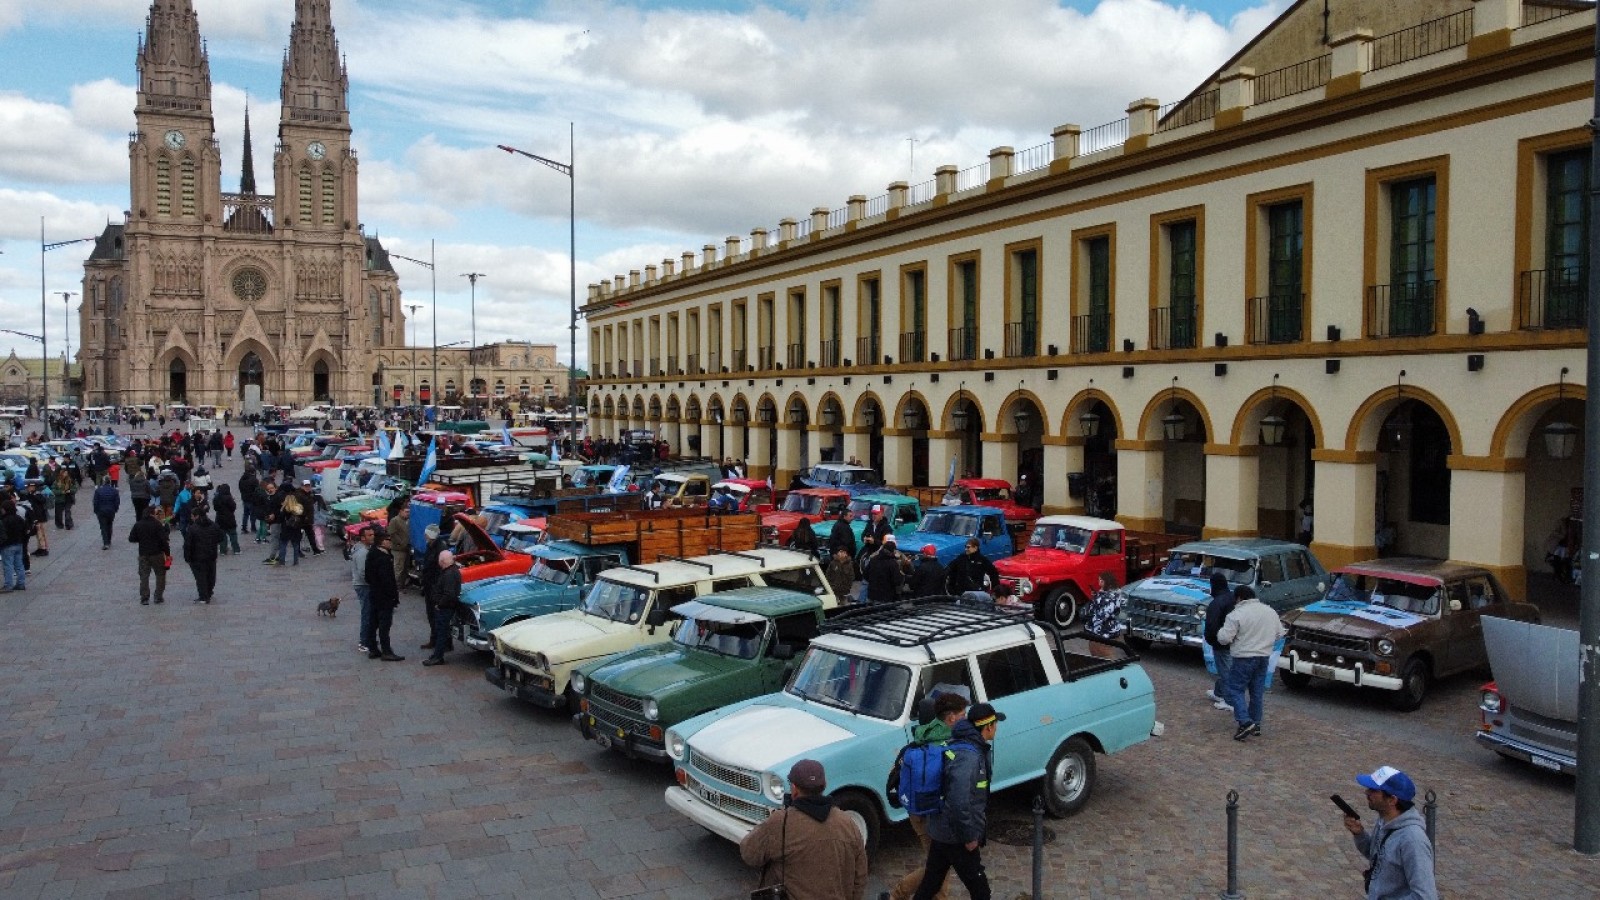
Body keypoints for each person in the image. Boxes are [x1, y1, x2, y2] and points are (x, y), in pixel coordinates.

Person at [911, 702, 1006, 900]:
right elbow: (958, 800)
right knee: (981, 892)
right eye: (996, 724)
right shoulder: (969, 757)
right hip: (957, 837)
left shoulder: (962, 743)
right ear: (988, 727)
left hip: (941, 831)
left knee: (930, 884)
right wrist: (969, 836)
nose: (997, 728)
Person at [738, 759, 868, 900]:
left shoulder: (781, 822)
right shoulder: (848, 823)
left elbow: (749, 854)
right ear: (824, 785)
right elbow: (860, 875)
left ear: (794, 789)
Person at [887, 691, 968, 900]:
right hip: (937, 815)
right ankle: (898, 893)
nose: (965, 719)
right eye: (962, 715)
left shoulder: (918, 740)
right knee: (940, 866)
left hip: (917, 812)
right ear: (951, 718)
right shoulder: (949, 747)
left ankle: (898, 893)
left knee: (938, 863)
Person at [1342, 766, 1437, 900]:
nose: (1366, 792)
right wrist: (1359, 834)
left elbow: (1425, 896)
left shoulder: (1413, 840)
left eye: (1373, 790)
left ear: (1392, 800)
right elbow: (1377, 855)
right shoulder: (1384, 820)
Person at [1217, 585, 1284, 741]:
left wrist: (1220, 631)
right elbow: (1280, 633)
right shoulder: (1270, 611)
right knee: (1256, 692)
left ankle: (1245, 721)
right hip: (1263, 657)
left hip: (1243, 657)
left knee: (1235, 689)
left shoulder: (1236, 614)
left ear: (1239, 598)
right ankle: (1256, 723)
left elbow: (1224, 638)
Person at [364, 532, 404, 661]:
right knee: (384, 624)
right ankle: (386, 651)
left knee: (373, 622)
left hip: (374, 594)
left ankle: (373, 648)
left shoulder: (371, 554)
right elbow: (387, 581)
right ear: (382, 542)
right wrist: (393, 596)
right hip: (384, 598)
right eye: (388, 540)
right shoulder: (383, 558)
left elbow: (368, 577)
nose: (390, 542)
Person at [1203, 571, 1238, 710]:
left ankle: (1228, 700)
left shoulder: (1216, 603)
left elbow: (1211, 625)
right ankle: (1219, 692)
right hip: (1235, 641)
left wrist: (1212, 640)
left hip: (1222, 643)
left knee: (1225, 671)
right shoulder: (1232, 598)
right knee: (1225, 669)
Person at [422, 550, 463, 666]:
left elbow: (449, 594)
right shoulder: (452, 571)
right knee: (442, 631)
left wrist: (439, 604)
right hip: (446, 606)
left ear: (442, 561)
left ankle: (438, 656)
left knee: (441, 631)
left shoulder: (449, 574)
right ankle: (437, 654)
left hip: (445, 608)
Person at [128, 504, 170, 605]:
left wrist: (141, 539)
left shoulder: (138, 524)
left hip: (143, 554)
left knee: (144, 576)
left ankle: (144, 598)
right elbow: (163, 540)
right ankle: (158, 596)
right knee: (160, 575)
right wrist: (167, 553)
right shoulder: (157, 524)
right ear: (152, 514)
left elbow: (131, 538)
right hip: (157, 554)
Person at [183, 505, 223, 603]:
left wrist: (187, 557)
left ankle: (204, 596)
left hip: (197, 557)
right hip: (211, 555)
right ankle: (209, 592)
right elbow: (221, 537)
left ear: (196, 516)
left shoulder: (192, 528)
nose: (191, 518)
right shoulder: (214, 525)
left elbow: (188, 544)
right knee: (210, 575)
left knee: (200, 577)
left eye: (192, 516)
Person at [1082, 571, 1127, 657]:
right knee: (1096, 652)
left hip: (1104, 631)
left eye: (1101, 580)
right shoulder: (1114, 593)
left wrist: (1089, 621)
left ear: (1105, 581)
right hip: (1107, 630)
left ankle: (1112, 669)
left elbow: (1102, 614)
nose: (1099, 582)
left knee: (1103, 654)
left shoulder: (1109, 596)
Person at [351, 526, 375, 654]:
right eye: (369, 535)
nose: (372, 537)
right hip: (364, 586)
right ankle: (364, 641)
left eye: (373, 534)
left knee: (368, 612)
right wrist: (373, 583)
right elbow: (363, 572)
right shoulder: (362, 553)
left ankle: (367, 639)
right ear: (362, 538)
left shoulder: (360, 548)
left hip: (361, 584)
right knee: (367, 613)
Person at [863, 535, 905, 604]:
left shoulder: (874, 559)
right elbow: (897, 581)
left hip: (872, 594)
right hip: (886, 596)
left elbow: (865, 575)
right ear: (893, 550)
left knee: (870, 613)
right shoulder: (892, 563)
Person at [0, 500, 27, 592]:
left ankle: (8, 585)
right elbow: (25, 530)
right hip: (19, 544)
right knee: (19, 565)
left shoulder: (4, 520)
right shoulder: (19, 518)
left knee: (8, 565)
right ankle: (21, 583)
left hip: (7, 545)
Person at [91, 475, 121, 550]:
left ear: (103, 481)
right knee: (109, 525)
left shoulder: (98, 491)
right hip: (111, 511)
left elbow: (95, 502)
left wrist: (96, 510)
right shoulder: (114, 491)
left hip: (101, 511)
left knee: (103, 527)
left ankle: (106, 543)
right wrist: (115, 509)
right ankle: (109, 540)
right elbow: (117, 502)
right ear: (110, 481)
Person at [387, 504, 411, 588]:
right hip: (398, 549)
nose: (408, 514)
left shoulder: (408, 521)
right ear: (401, 511)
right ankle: (394, 585)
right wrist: (401, 542)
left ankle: (401, 584)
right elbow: (391, 533)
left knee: (405, 567)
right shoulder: (395, 520)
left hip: (406, 548)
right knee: (398, 568)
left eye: (409, 512)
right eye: (406, 512)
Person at [212, 484, 239, 555]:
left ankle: (223, 550)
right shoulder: (229, 498)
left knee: (223, 536)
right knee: (233, 535)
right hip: (230, 519)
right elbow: (233, 507)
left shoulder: (216, 498)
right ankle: (236, 549)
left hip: (220, 519)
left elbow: (215, 508)